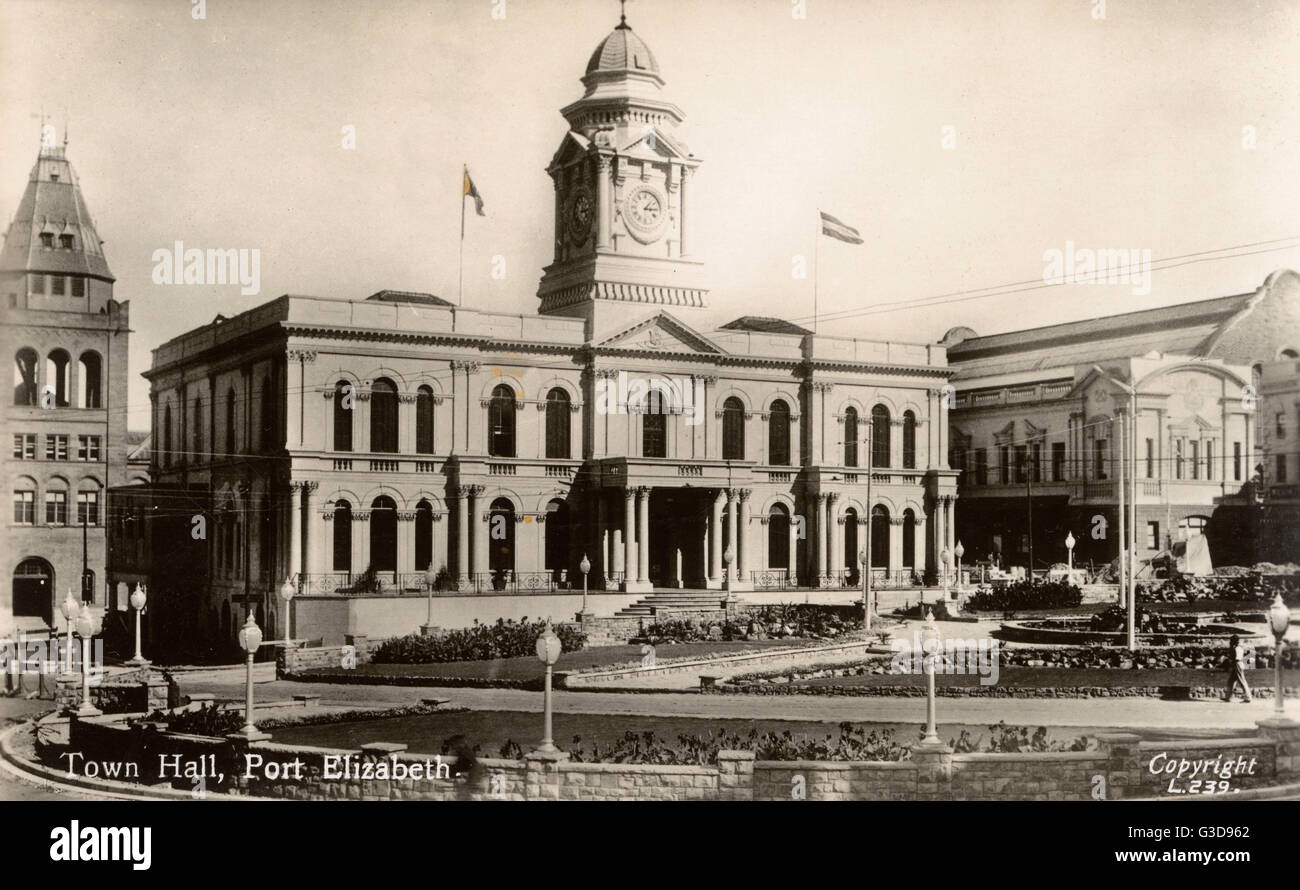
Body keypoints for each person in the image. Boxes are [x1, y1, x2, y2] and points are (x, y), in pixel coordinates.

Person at [1223, 635, 1253, 703]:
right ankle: (1228, 697)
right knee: (1231, 681)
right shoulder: (1239, 647)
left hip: (1237, 664)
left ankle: (1248, 698)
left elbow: (1233, 657)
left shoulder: (1235, 648)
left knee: (1242, 681)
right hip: (1239, 664)